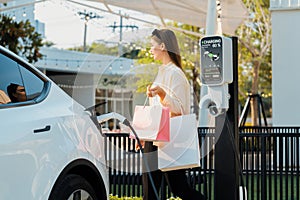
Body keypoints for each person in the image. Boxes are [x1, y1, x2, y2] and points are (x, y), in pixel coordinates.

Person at [142, 29, 206, 200]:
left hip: (170, 138)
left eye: (152, 46)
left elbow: (180, 108)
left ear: (162, 46)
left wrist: (162, 94)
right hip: (156, 137)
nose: (150, 49)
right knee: (150, 191)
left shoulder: (176, 74)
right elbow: (157, 110)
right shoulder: (162, 71)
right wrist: (145, 134)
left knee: (179, 188)